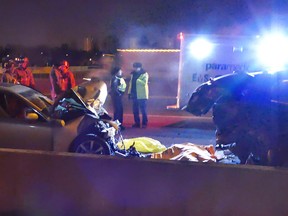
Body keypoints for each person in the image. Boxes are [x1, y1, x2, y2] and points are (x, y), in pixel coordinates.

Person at [127, 62, 149, 128]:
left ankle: (144, 123)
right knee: (135, 110)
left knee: (143, 110)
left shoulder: (144, 74)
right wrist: (129, 92)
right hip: (134, 94)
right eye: (135, 67)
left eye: (137, 67)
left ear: (140, 67)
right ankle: (137, 123)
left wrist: (137, 80)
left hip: (142, 95)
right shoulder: (132, 74)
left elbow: (144, 83)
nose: (135, 69)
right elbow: (131, 84)